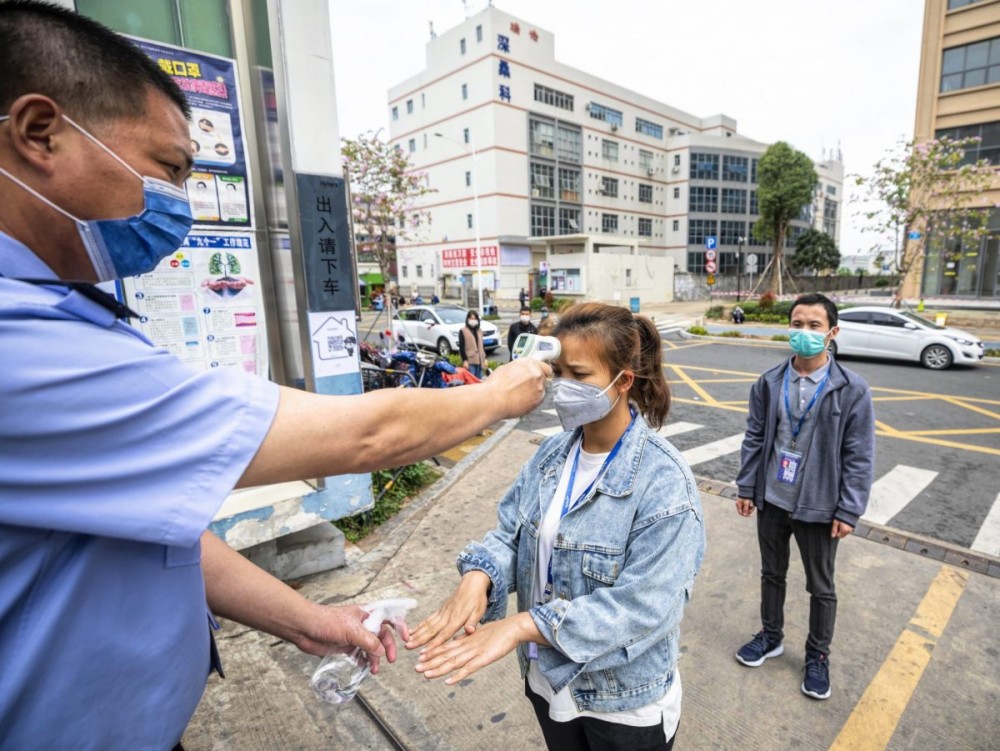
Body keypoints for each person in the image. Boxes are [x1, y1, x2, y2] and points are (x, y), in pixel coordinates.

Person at [0, 4, 551, 749]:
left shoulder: (60, 308)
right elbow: (367, 433)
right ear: (40, 132)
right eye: (166, 169)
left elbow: (151, 527)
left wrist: (310, 620)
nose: (178, 204)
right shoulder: (21, 345)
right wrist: (502, 393)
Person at [407, 303, 706, 751]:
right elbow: (510, 531)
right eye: (558, 371)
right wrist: (480, 576)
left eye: (579, 375)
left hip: (621, 701)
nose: (562, 387)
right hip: (548, 681)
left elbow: (644, 606)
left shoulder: (665, 484)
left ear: (623, 381)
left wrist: (521, 626)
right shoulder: (551, 455)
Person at [733, 292, 875, 701]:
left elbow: (859, 455)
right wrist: (746, 487)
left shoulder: (851, 390)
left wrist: (849, 509)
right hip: (772, 498)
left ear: (832, 332)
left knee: (821, 586)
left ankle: (817, 655)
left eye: (814, 326)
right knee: (771, 573)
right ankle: (771, 636)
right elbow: (755, 437)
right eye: (797, 324)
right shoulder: (770, 381)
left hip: (819, 505)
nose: (804, 333)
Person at [459, 308, 487, 379]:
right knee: (471, 382)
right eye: (471, 318)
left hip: (480, 360)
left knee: (479, 381)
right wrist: (465, 360)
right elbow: (461, 347)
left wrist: (485, 359)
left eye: (475, 319)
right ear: (468, 319)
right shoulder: (463, 331)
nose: (473, 320)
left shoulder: (479, 331)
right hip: (470, 361)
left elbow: (482, 346)